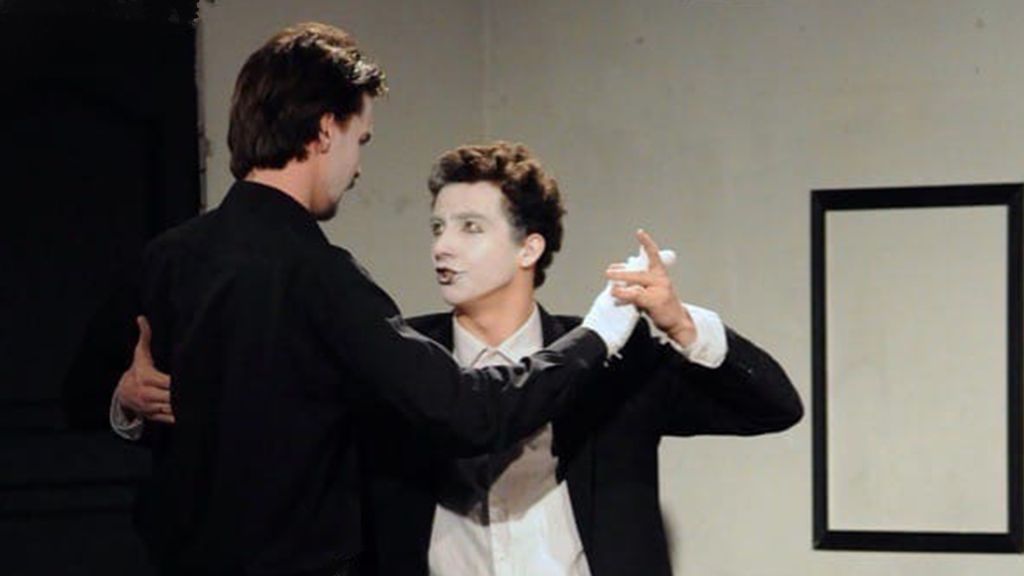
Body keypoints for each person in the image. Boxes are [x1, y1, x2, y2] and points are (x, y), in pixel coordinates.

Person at [117, 141, 803, 575]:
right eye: (438, 227)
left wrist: (679, 322)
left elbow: (774, 406)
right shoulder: (391, 354)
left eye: (471, 228)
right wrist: (129, 404)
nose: (443, 246)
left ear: (529, 247)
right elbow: (260, 437)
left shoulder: (612, 359)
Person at [115, 24, 647, 576]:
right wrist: (596, 335)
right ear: (326, 131)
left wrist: (125, 399)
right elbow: (468, 414)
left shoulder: (168, 256)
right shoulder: (322, 276)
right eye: (360, 140)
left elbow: (85, 391)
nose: (358, 168)